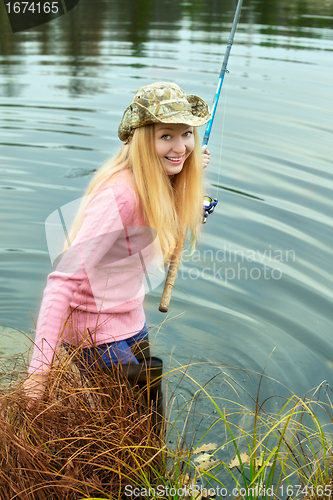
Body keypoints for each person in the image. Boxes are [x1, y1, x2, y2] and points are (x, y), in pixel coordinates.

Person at [23, 82, 211, 406]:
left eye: (186, 134)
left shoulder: (162, 178)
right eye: (166, 135)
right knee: (131, 430)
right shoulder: (119, 195)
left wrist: (185, 171)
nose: (180, 146)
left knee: (150, 417)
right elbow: (61, 282)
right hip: (94, 332)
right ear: (141, 140)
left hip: (130, 318)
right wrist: (38, 375)